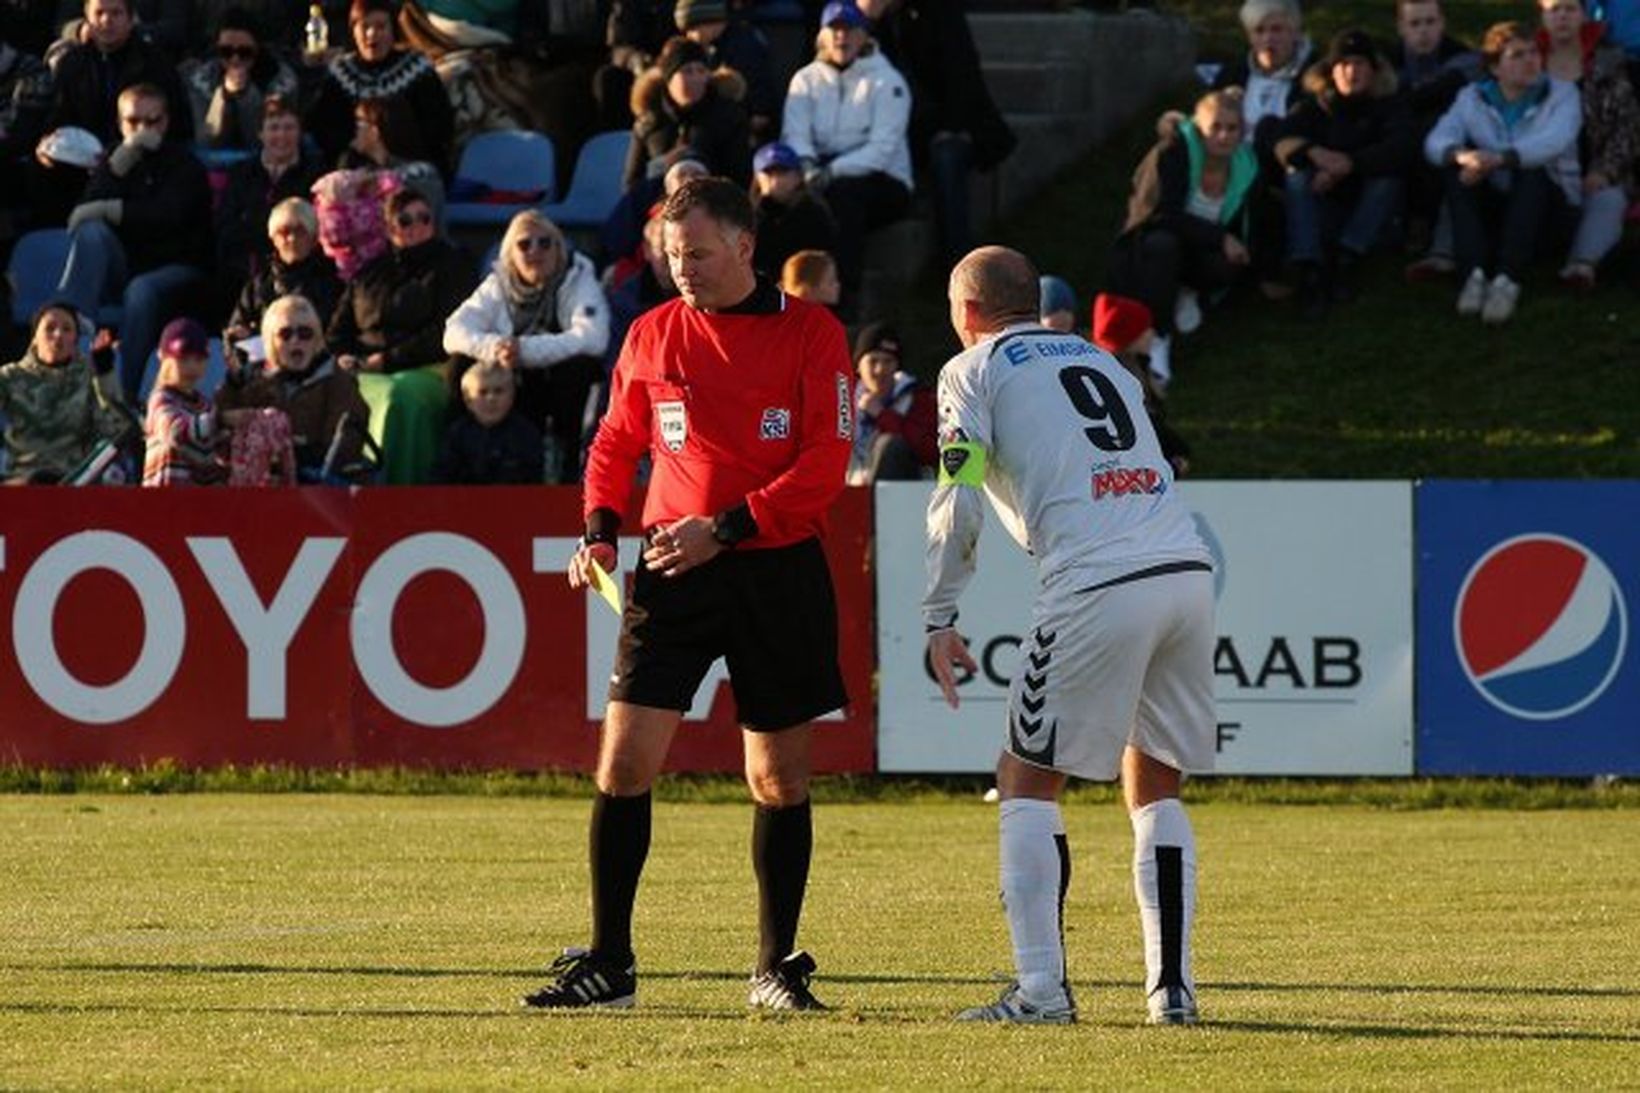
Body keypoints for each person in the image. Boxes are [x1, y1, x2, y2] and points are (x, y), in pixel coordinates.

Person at [523, 177, 852, 1012]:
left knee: (777, 776)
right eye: (673, 256)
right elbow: (614, 444)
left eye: (698, 254)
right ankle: (610, 962)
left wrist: (730, 526)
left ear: (746, 247)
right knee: (625, 760)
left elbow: (824, 465)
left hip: (775, 570)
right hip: (673, 568)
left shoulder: (813, 333)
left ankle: (775, 965)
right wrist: (599, 531)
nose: (684, 270)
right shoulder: (651, 332)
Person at [925, 246, 1215, 1027]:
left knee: (1024, 779)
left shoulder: (972, 369)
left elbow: (960, 498)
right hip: (1184, 568)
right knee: (1156, 782)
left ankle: (1042, 992)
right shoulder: (1100, 360)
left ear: (968, 312)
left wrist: (939, 613)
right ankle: (1172, 991)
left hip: (1098, 581)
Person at [55, 81, 212, 403]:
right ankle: (71, 332)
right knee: (92, 233)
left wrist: (112, 209)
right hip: (125, 266)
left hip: (177, 268)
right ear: (120, 123)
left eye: (152, 121)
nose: (142, 130)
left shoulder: (185, 163)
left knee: (141, 291)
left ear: (165, 122)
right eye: (133, 122)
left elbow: (170, 215)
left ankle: (123, 395)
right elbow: (86, 209)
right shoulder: (115, 158)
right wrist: (117, 166)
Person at [1425, 21, 1581, 324]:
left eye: (1534, 52)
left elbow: (1552, 142)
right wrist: (1464, 157)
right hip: (1498, 202)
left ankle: (1508, 278)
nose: (1530, 61)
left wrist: (1499, 159)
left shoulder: (1562, 94)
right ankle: (1475, 274)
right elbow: (1436, 141)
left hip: (1551, 209)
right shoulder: (1472, 97)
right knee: (1459, 175)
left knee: (1531, 171)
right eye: (1518, 55)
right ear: (1495, 67)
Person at [442, 208, 610, 483]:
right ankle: (457, 459)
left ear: (558, 248)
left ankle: (568, 467)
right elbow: (454, 332)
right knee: (459, 364)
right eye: (525, 244)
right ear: (511, 253)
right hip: (508, 374)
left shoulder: (578, 276)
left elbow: (594, 338)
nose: (535, 250)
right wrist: (497, 347)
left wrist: (525, 350)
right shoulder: (497, 283)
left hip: (552, 381)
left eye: (545, 243)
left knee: (580, 367)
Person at [1107, 89, 1257, 388]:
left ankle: (1187, 292)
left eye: (1232, 128)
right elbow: (1158, 213)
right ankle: (1159, 337)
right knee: (1164, 246)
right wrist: (1219, 236)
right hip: (1151, 245)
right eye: (1216, 127)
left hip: (1200, 252)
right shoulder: (1172, 152)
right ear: (1199, 127)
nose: (1224, 136)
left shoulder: (1246, 165)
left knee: (1227, 263)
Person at [328, 186, 474, 483]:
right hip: (364, 367)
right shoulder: (368, 273)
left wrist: (385, 361)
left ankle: (396, 490)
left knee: (399, 397)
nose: (417, 226)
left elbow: (446, 331)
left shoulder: (453, 264)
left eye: (424, 218)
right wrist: (345, 357)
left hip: (429, 368)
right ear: (390, 228)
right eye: (406, 220)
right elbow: (337, 332)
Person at [857, 0, 1017, 266]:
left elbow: (961, 73)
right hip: (886, 127)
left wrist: (949, 128)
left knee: (947, 156)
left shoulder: (940, 12)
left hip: (945, 125)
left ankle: (959, 265)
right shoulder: (859, 22)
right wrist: (867, 22)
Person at [781, 0, 913, 317]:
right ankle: (786, 296)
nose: (842, 37)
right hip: (818, 175)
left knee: (843, 199)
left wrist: (833, 170)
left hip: (884, 182)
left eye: (850, 29)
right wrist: (809, 164)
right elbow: (794, 134)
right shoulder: (805, 80)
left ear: (864, 35)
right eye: (834, 29)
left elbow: (883, 149)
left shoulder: (887, 81)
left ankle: (843, 298)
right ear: (822, 36)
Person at [1271, 29, 1416, 314]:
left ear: (1373, 69)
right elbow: (1280, 140)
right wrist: (1315, 154)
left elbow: (1402, 148)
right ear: (1331, 71)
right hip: (1323, 204)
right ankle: (1308, 267)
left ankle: (1347, 259)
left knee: (1388, 179)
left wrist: (1349, 164)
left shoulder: (1390, 105)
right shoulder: (1313, 105)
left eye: (1360, 63)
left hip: (1370, 211)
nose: (1352, 71)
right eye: (1344, 64)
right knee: (1296, 176)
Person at [1537, 0, 1640, 290]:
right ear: (1542, 15)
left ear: (1584, 15)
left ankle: (1581, 265)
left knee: (1609, 198)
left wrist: (1605, 170)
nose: (1563, 17)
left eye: (1570, 9)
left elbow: (1627, 127)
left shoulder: (1607, 63)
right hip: (1543, 168)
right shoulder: (1530, 61)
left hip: (1596, 167)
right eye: (1554, 10)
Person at [217, 293, 372, 481]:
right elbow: (217, 424)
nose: (295, 341)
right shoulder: (253, 379)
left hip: (316, 484)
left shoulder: (337, 381)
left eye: (305, 333)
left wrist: (288, 452)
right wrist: (232, 387)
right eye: (285, 334)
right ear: (270, 341)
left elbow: (342, 449)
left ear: (317, 340)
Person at [306, 0, 455, 173]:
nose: (372, 34)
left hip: (411, 169)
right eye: (364, 27)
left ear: (393, 30)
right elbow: (323, 128)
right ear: (353, 31)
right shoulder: (341, 73)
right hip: (353, 171)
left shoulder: (417, 68)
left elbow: (439, 128)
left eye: (381, 26)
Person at [0, 300, 131, 483]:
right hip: (20, 481)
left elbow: (117, 431)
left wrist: (105, 372)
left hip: (73, 482)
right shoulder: (10, 376)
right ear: (35, 337)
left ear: (76, 340)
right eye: (50, 328)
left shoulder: (89, 377)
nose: (58, 334)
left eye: (67, 329)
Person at [42, 0, 192, 149]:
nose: (106, 20)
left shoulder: (157, 65)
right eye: (99, 13)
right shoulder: (72, 64)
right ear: (87, 18)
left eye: (116, 13)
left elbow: (178, 126)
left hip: (142, 157)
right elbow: (57, 119)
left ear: (130, 19)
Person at [213, 96, 326, 293]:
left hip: (298, 273)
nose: (282, 135)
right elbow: (226, 226)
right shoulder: (242, 173)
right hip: (241, 272)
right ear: (260, 133)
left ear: (299, 132)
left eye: (289, 128)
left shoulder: (315, 174)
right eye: (274, 128)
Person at [623, 35, 751, 190]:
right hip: (659, 209)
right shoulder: (650, 122)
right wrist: (661, 166)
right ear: (669, 79)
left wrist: (698, 171)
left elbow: (740, 179)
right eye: (687, 71)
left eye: (701, 70)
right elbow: (631, 186)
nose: (696, 78)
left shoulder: (729, 118)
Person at [1090, 292, 1193, 476]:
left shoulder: (1137, 366)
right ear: (1128, 335)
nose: (1152, 333)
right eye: (1145, 328)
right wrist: (1176, 455)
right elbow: (1145, 424)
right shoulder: (1121, 378)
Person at [179, 7, 298, 151]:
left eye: (244, 52)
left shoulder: (282, 80)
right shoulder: (203, 79)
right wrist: (223, 97)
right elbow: (207, 140)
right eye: (226, 52)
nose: (235, 59)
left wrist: (246, 95)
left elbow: (266, 141)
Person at [674, 0, 780, 145]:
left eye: (692, 28)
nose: (688, 36)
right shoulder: (700, 49)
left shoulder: (745, 48)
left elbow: (761, 104)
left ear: (711, 23)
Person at [1213, 0, 1314, 149]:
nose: (1268, 38)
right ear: (1249, 37)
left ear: (1295, 33)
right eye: (1259, 31)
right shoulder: (1232, 74)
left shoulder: (1314, 74)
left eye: (1277, 29)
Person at [847, 320, 935, 485]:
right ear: (858, 365)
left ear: (897, 366)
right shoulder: (842, 397)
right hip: (848, 494)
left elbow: (930, 452)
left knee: (890, 445)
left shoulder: (917, 397)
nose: (880, 370)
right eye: (873, 361)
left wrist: (883, 416)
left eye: (888, 361)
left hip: (901, 496)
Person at [142, 316, 226, 485]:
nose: (192, 367)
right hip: (163, 501)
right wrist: (222, 420)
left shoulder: (206, 405)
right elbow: (175, 431)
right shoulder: (160, 399)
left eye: (199, 359)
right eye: (183, 359)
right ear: (164, 358)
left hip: (198, 503)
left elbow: (210, 456)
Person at [430, 360, 545, 484]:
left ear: (512, 396)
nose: (491, 399)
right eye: (482, 392)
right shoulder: (457, 434)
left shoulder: (525, 433)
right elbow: (442, 476)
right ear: (468, 400)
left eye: (498, 391)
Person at [750, 140, 838, 280]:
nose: (776, 181)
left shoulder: (815, 214)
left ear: (798, 176)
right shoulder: (747, 217)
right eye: (768, 174)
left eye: (783, 173)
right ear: (757, 179)